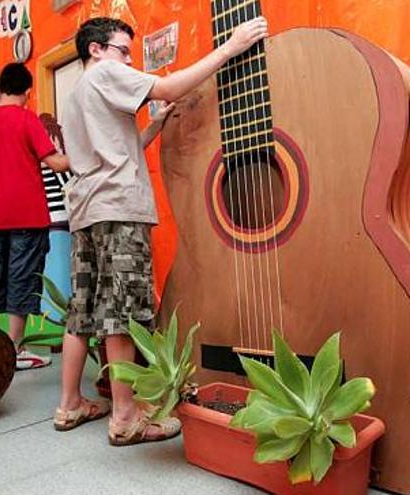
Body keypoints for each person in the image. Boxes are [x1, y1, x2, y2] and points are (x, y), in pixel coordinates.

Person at [55, 16, 268, 445]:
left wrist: (154, 126)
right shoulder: (107, 73)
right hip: (118, 208)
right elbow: (169, 87)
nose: (127, 60)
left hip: (88, 211)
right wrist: (231, 46)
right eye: (122, 49)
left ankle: (69, 403)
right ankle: (126, 416)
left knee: (82, 312)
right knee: (123, 314)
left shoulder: (76, 94)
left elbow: (114, 150)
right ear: (95, 49)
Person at [0, 62, 70, 370]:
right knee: (22, 281)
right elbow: (55, 164)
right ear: (28, 92)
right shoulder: (27, 119)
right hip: (27, 216)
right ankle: (12, 351)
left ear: (1, 87)